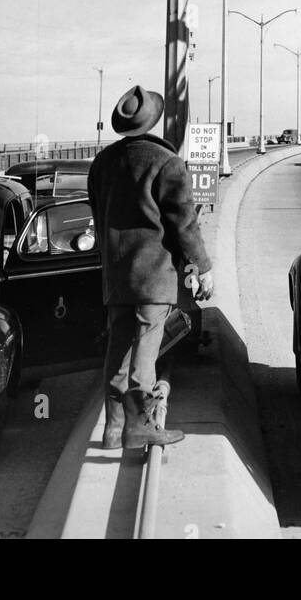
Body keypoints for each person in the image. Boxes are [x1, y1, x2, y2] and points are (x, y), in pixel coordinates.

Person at [88, 84, 213, 449]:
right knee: (145, 348)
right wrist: (202, 266)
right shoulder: (166, 162)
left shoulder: (103, 163)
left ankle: (113, 429)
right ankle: (140, 425)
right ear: (155, 120)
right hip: (154, 276)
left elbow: (97, 214)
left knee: (118, 347)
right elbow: (183, 223)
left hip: (115, 273)